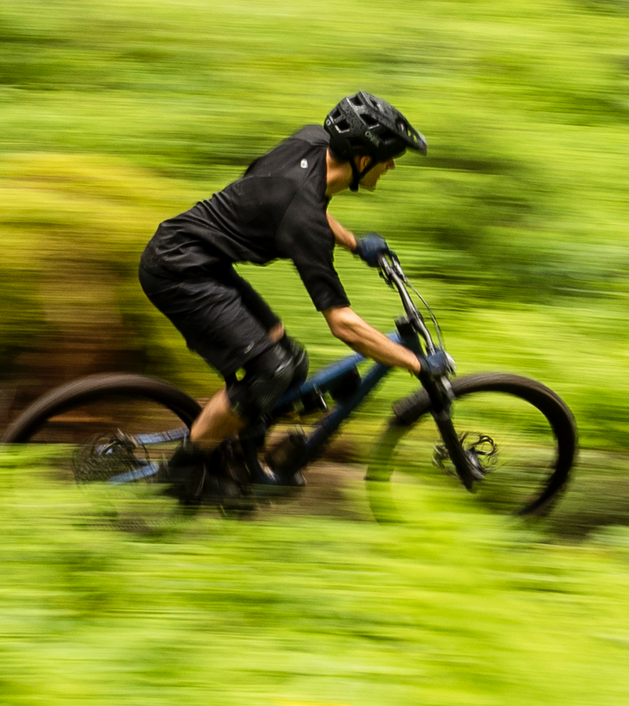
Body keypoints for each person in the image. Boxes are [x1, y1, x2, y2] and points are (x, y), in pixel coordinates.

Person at [135, 90, 446, 498]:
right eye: (388, 157)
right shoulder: (302, 222)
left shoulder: (311, 141)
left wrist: (354, 243)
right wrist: (416, 364)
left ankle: (239, 454)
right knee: (274, 371)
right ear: (362, 158)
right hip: (179, 272)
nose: (390, 166)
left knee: (292, 359)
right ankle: (183, 470)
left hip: (195, 258)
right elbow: (343, 325)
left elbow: (306, 198)